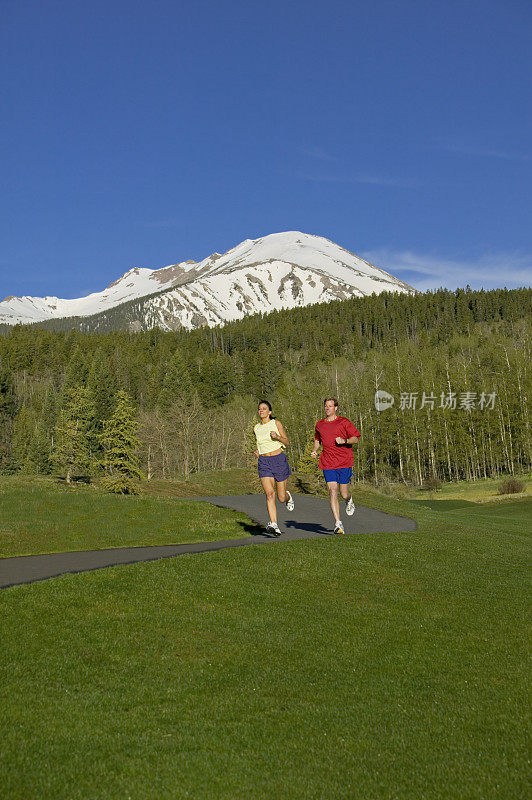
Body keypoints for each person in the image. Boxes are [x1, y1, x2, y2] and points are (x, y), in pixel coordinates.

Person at [311, 397, 361, 534]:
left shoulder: (344, 422)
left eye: (330, 406)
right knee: (333, 490)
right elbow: (317, 440)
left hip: (344, 461)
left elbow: (355, 439)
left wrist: (344, 440)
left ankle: (349, 500)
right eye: (326, 406)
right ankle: (338, 523)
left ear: (336, 408)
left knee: (343, 493)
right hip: (327, 462)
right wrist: (315, 450)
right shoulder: (319, 424)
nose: (327, 408)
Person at [254, 400, 294, 536]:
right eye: (260, 409)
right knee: (270, 494)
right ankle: (274, 524)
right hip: (264, 462)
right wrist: (258, 452)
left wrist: (277, 437)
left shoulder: (276, 424)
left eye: (264, 409)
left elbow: (287, 442)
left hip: (278, 460)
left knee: (281, 498)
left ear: (269, 412)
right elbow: (261, 444)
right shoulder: (256, 428)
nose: (261, 411)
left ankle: (289, 497)